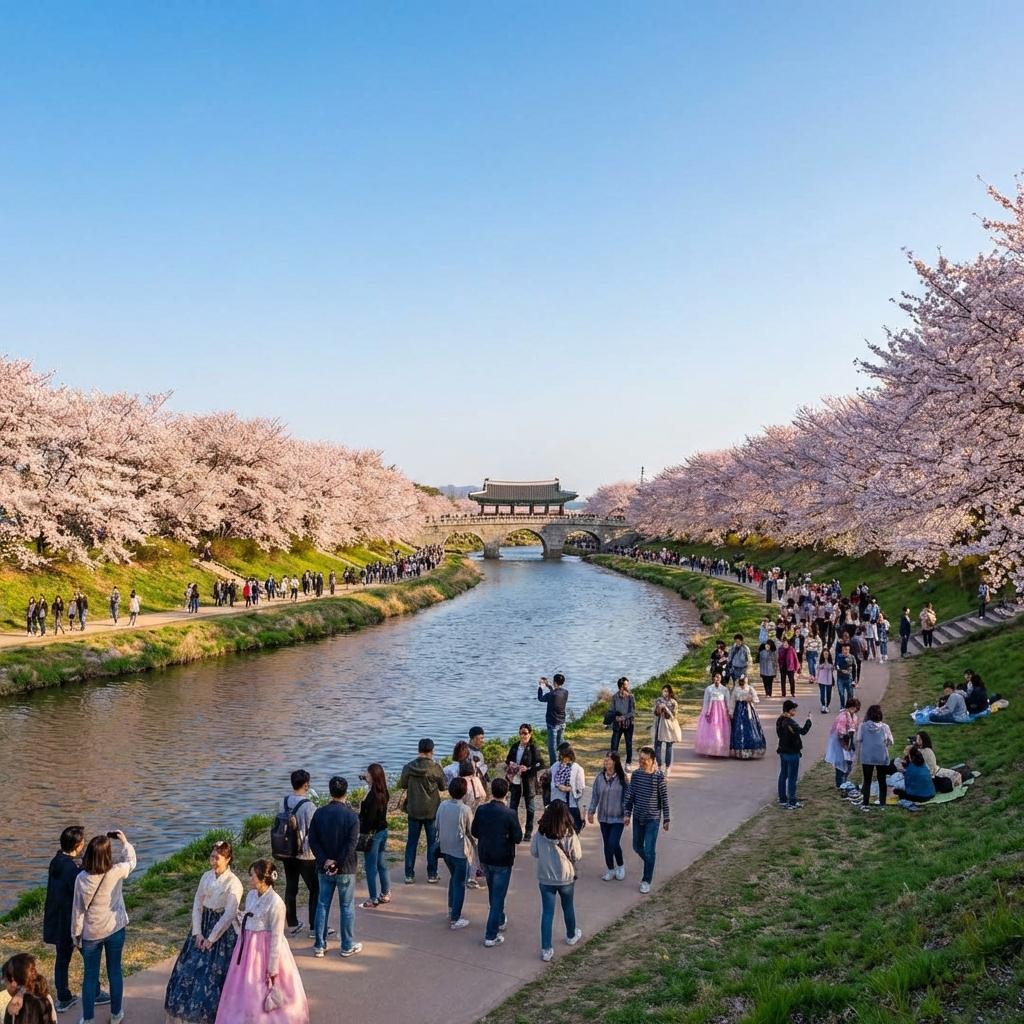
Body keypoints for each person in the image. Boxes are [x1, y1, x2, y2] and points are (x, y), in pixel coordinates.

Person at [214, 860, 309, 1024]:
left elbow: (277, 937)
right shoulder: (251, 895)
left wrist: (272, 968)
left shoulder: (276, 903)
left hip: (264, 950)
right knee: (244, 985)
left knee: (260, 986)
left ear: (263, 878)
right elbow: (250, 917)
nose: (250, 879)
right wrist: (237, 915)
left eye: (252, 876)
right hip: (247, 948)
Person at [164, 840, 243, 1024]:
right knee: (188, 969)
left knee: (214, 976)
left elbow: (229, 914)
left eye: (218, 858)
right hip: (203, 925)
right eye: (212, 857)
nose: (213, 861)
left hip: (221, 933)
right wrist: (197, 932)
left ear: (228, 859)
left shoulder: (234, 883)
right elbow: (197, 904)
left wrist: (211, 938)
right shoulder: (206, 877)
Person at [71, 831, 136, 1024]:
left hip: (92, 933)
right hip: (115, 929)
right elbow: (131, 860)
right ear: (107, 855)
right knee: (115, 971)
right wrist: (124, 840)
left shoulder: (82, 878)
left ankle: (88, 1018)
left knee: (90, 977)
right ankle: (116, 1014)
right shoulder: (116, 871)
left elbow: (77, 910)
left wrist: (75, 935)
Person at [308, 776, 361, 958]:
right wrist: (338, 862)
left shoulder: (319, 813)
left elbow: (313, 841)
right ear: (346, 792)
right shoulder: (352, 816)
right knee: (346, 906)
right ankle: (346, 945)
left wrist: (325, 861)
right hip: (345, 868)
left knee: (322, 904)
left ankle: (319, 945)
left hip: (324, 867)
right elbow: (351, 844)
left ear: (330, 792)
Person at [470, 778, 523, 947]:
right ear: (506, 792)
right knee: (498, 896)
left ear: (492, 791)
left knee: (494, 891)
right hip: (502, 858)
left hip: (485, 856)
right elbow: (518, 837)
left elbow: (474, 831)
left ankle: (499, 919)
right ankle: (491, 935)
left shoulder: (482, 810)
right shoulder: (510, 814)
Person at [42, 826, 89, 1015]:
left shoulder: (57, 861)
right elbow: (80, 894)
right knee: (89, 956)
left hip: (56, 919)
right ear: (77, 845)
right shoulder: (72, 870)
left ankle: (63, 997)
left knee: (61, 960)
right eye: (83, 841)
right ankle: (94, 992)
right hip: (70, 921)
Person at [530, 801, 583, 962]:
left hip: (545, 878)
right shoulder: (569, 833)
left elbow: (534, 852)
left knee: (547, 912)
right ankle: (571, 934)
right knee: (568, 907)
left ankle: (546, 948)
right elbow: (577, 855)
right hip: (566, 878)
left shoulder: (540, 833)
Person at [398, 738, 447, 884]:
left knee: (412, 842)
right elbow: (443, 787)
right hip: (432, 810)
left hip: (413, 809)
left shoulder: (408, 767)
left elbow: (403, 784)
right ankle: (432, 874)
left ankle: (408, 874)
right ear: (432, 750)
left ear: (418, 750)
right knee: (432, 842)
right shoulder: (436, 768)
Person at [623, 746, 670, 894]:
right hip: (638, 817)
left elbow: (664, 799)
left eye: (645, 760)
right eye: (640, 759)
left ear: (653, 761)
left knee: (649, 850)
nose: (642, 762)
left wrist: (666, 818)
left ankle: (646, 879)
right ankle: (650, 863)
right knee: (637, 847)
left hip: (652, 819)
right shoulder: (636, 775)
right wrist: (627, 813)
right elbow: (630, 795)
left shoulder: (658, 777)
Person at [279, 770, 318, 938]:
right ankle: (314, 925)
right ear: (306, 785)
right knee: (315, 888)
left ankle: (292, 922)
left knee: (291, 886)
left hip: (287, 851)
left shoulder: (283, 801)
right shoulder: (309, 806)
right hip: (305, 853)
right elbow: (314, 830)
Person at [436, 777, 474, 930]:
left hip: (445, 849)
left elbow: (436, 824)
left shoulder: (442, 805)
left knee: (453, 879)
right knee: (460, 883)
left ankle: (451, 909)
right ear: (464, 792)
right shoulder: (465, 809)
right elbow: (472, 831)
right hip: (460, 851)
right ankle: (455, 918)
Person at [587, 752, 628, 880]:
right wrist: (591, 811)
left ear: (615, 762)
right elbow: (595, 796)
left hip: (618, 817)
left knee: (613, 843)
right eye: (605, 760)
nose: (606, 762)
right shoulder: (600, 778)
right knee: (607, 844)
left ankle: (620, 865)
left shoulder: (623, 779)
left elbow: (627, 798)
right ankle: (610, 869)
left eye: (609, 760)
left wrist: (627, 814)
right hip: (604, 818)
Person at [358, 763, 392, 909]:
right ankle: (385, 893)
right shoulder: (383, 791)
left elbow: (369, 820)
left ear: (374, 776)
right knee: (381, 864)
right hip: (383, 831)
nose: (366, 775)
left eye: (368, 773)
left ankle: (373, 898)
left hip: (372, 835)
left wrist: (360, 827)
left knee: (370, 867)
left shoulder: (372, 797)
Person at [505, 724, 544, 842]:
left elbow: (540, 763)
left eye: (525, 733)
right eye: (521, 733)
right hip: (516, 780)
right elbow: (508, 759)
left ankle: (528, 831)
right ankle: (515, 830)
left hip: (529, 781)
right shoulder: (515, 746)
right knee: (513, 807)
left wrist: (528, 768)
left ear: (530, 734)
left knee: (530, 807)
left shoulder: (533, 748)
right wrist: (511, 764)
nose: (523, 736)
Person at [775, 700, 813, 809]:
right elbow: (803, 731)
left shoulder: (779, 720)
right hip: (792, 752)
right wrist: (809, 721)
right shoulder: (790, 722)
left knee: (783, 775)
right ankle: (792, 800)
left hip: (782, 750)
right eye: (794, 710)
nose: (795, 711)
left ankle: (782, 799)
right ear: (790, 710)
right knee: (792, 777)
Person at [855, 705, 893, 811]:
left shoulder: (862, 726)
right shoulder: (885, 727)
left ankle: (865, 804)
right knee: (882, 780)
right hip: (881, 757)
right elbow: (891, 741)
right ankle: (882, 804)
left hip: (867, 757)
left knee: (867, 780)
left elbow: (858, 739)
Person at [2, 955, 51, 1024]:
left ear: (13, 982)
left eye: (6, 983)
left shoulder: (14, 1008)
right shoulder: (44, 997)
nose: (6, 987)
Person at [825, 698, 861, 791]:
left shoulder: (854, 717)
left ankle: (844, 781)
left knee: (849, 763)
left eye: (856, 708)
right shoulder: (842, 717)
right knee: (841, 763)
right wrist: (845, 743)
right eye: (853, 708)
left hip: (849, 743)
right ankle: (840, 784)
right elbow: (840, 733)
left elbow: (856, 728)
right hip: (840, 743)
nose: (855, 710)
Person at [549, 745, 586, 833]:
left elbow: (581, 789)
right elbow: (551, 783)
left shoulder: (577, 769)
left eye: (563, 755)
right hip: (557, 805)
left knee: (572, 834)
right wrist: (557, 786)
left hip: (571, 806)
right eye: (560, 755)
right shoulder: (555, 766)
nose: (561, 758)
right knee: (557, 833)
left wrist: (569, 789)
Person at [728, 676, 766, 759]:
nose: (743, 682)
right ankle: (740, 751)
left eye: (745, 681)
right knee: (739, 729)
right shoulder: (736, 689)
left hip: (748, 710)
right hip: (738, 711)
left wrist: (751, 699)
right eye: (742, 681)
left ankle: (751, 750)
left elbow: (756, 699)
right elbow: (732, 701)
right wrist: (731, 712)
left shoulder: (750, 689)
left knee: (750, 729)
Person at [693, 673, 731, 758]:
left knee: (720, 730)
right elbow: (705, 701)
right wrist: (705, 712)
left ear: (721, 679)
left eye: (719, 677)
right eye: (716, 677)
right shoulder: (709, 689)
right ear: (713, 678)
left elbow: (727, 701)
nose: (717, 679)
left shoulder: (724, 689)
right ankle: (710, 749)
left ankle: (720, 750)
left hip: (721, 713)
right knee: (711, 730)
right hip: (711, 712)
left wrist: (729, 712)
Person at [537, 674, 569, 766]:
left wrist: (540, 687)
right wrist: (549, 686)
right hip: (562, 722)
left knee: (552, 748)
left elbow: (540, 698)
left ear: (555, 682)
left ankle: (554, 767)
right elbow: (555, 693)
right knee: (561, 745)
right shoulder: (565, 692)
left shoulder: (551, 694)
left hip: (553, 724)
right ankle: (563, 762)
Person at [651, 684, 683, 775]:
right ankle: (659, 765)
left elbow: (673, 716)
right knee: (657, 745)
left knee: (669, 745)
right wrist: (659, 708)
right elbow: (656, 713)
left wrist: (665, 709)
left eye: (666, 691)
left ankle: (667, 767)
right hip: (659, 725)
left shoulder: (673, 702)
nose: (664, 693)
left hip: (669, 726)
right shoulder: (658, 700)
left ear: (669, 693)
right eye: (663, 691)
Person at [609, 677, 636, 766]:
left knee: (628, 743)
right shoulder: (614, 697)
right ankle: (614, 762)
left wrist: (623, 717)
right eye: (626, 685)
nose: (628, 687)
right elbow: (611, 710)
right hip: (617, 724)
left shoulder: (631, 697)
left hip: (628, 724)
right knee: (614, 745)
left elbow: (633, 712)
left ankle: (628, 762)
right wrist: (615, 717)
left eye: (628, 685)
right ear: (621, 687)